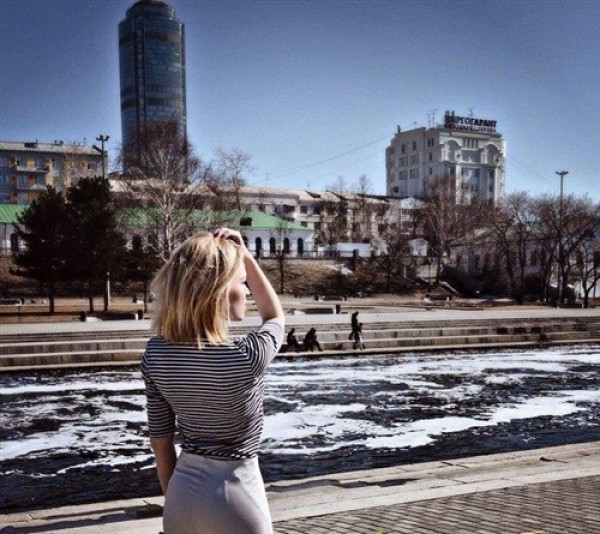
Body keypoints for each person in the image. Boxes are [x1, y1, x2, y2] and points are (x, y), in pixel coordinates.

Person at [141, 228, 284, 534]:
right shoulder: (247, 354)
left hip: (180, 497)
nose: (247, 292)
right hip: (236, 494)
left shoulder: (156, 353)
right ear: (219, 291)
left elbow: (161, 443)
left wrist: (177, 499)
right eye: (242, 282)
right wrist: (247, 257)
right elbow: (274, 316)